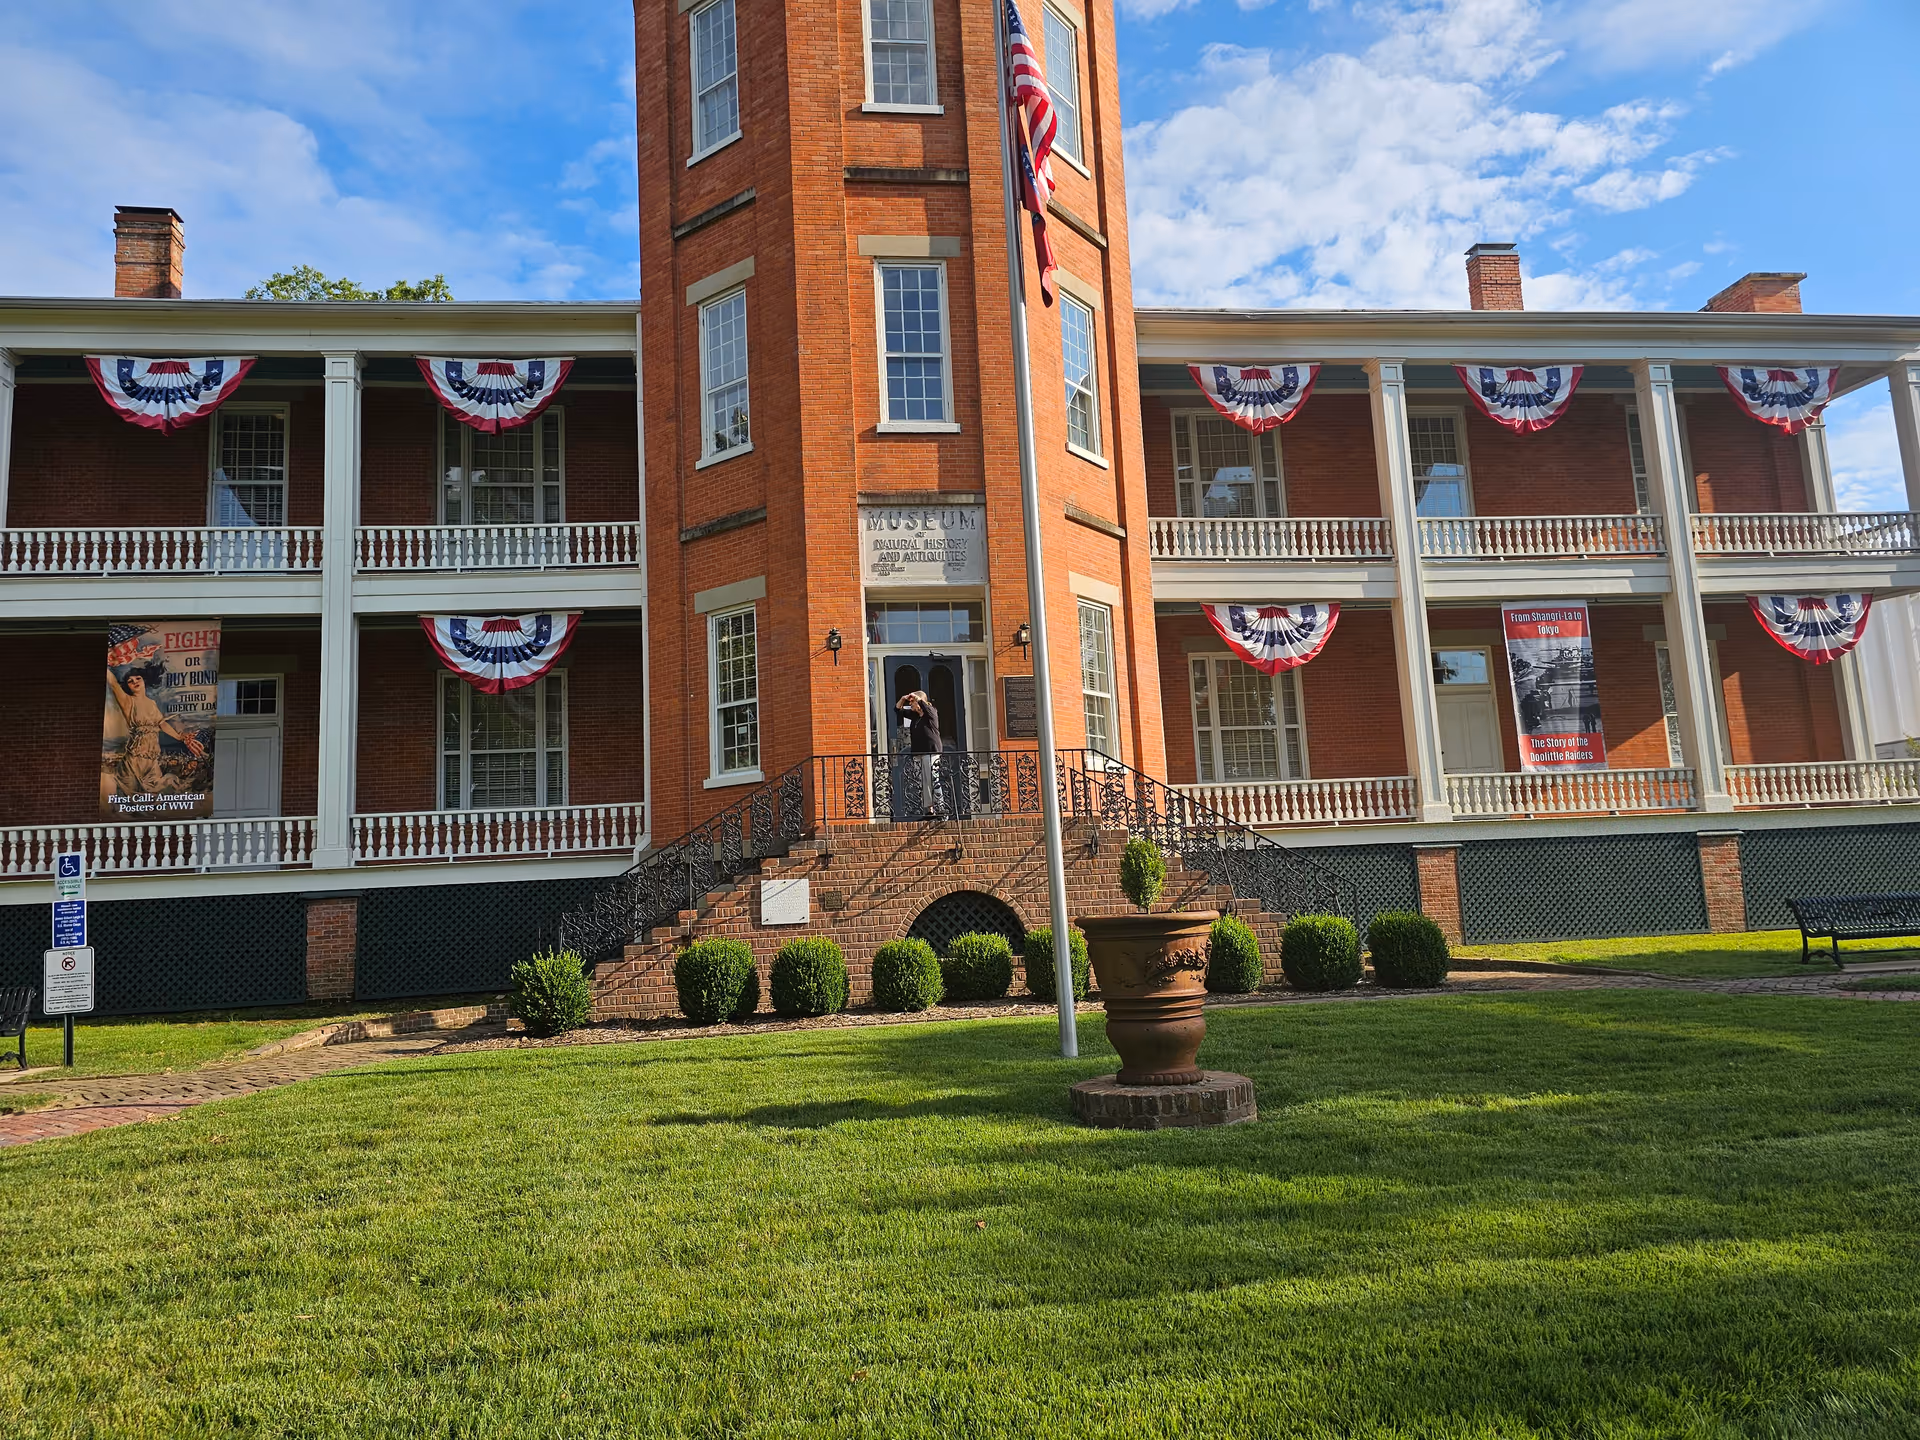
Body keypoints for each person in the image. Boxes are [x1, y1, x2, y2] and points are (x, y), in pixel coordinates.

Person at [105, 663, 205, 804]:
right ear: (127, 686)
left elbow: (161, 724)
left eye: (138, 678)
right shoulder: (128, 701)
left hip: (152, 758)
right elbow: (113, 684)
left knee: (153, 796)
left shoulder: (152, 703)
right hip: (135, 758)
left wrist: (179, 737)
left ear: (144, 680)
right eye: (130, 681)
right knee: (130, 799)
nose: (135, 682)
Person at [894, 689, 944, 818]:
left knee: (933, 779)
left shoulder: (931, 712)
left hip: (931, 751)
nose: (910, 705)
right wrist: (903, 698)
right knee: (923, 782)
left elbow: (926, 707)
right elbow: (897, 710)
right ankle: (929, 811)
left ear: (919, 702)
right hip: (919, 753)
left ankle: (942, 809)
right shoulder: (915, 716)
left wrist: (918, 698)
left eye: (912, 703)